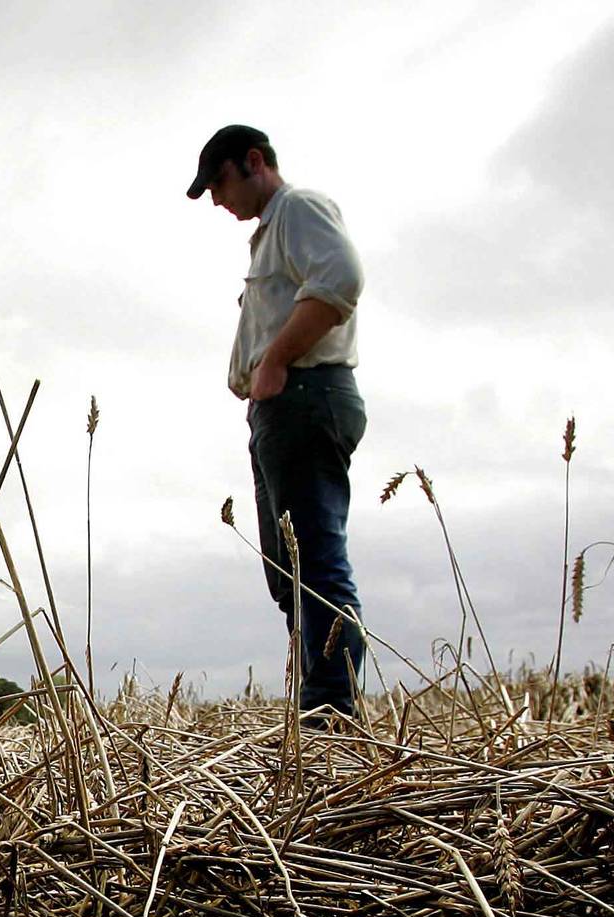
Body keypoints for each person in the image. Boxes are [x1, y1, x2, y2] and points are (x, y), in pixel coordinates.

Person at [187, 125, 368, 720]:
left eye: (219, 182)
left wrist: (275, 359)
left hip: (306, 397)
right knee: (287, 568)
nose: (216, 199)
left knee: (313, 561)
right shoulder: (269, 236)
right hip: (282, 408)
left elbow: (341, 278)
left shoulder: (298, 209)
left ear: (254, 161)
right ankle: (315, 702)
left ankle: (331, 710)